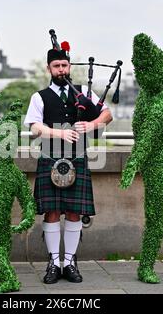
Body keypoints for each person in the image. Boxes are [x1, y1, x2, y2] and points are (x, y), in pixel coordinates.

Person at [24, 45, 113, 284]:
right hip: (50, 157)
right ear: (49, 69)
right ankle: (54, 262)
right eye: (56, 66)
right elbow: (34, 127)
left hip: (78, 158)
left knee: (74, 212)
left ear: (69, 66)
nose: (61, 70)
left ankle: (70, 262)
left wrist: (91, 125)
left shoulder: (83, 92)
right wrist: (57, 133)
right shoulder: (39, 97)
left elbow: (107, 114)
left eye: (64, 65)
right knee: (52, 212)